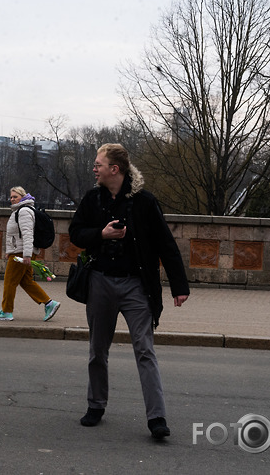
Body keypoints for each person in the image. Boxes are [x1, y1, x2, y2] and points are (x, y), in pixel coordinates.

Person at [68, 143, 189, 439]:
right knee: (98, 350)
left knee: (145, 350)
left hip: (136, 285)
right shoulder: (92, 199)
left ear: (115, 169)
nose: (94, 168)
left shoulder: (145, 202)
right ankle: (95, 406)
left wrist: (179, 286)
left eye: (98, 164)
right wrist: (102, 234)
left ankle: (157, 418)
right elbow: (75, 233)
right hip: (100, 282)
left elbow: (166, 244)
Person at [0, 186, 60, 322]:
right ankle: (49, 303)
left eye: (15, 196)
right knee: (26, 281)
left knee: (9, 281)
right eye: (11, 197)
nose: (12, 199)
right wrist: (9, 252)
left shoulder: (23, 211)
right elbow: (16, 236)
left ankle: (6, 311)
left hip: (21, 253)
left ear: (23, 196)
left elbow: (28, 235)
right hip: (20, 252)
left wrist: (27, 255)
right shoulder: (21, 211)